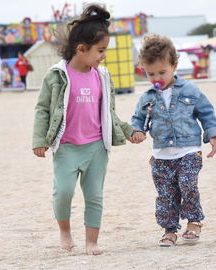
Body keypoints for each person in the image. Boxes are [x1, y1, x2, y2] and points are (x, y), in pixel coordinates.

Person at [32, 4, 140, 255]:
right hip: (67, 147)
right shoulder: (56, 75)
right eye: (100, 50)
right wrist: (39, 139)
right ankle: (65, 231)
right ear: (81, 48)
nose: (104, 56)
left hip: (96, 147)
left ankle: (92, 242)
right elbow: (43, 109)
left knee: (94, 196)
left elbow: (108, 113)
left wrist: (128, 131)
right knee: (63, 193)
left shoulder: (102, 76)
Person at [131, 33, 216, 247]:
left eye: (162, 72)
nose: (157, 78)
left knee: (188, 184)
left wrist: (213, 134)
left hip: (189, 150)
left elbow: (206, 113)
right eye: (151, 74)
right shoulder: (147, 97)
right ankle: (170, 230)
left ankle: (194, 221)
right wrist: (136, 131)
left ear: (174, 65)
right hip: (161, 154)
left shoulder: (191, 90)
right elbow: (138, 120)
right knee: (166, 193)